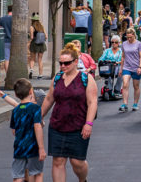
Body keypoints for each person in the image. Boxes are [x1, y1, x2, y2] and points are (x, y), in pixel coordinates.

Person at [40, 44, 98, 182]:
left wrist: (88, 124)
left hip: (78, 127)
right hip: (57, 126)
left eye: (66, 63)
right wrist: (38, 116)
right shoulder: (58, 78)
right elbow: (49, 98)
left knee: (77, 162)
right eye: (61, 63)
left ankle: (82, 180)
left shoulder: (86, 79)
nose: (63, 66)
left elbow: (92, 103)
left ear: (76, 62)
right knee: (58, 161)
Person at [7, 78, 46, 182]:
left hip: (19, 147)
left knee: (18, 175)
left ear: (16, 95)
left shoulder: (15, 110)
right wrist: (41, 148)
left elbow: (14, 131)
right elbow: (37, 126)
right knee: (37, 173)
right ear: (30, 91)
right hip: (33, 146)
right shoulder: (35, 108)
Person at [118, 27, 141, 112]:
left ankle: (135, 103)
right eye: (127, 37)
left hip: (136, 67)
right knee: (125, 84)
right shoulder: (124, 44)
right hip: (127, 67)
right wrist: (121, 69)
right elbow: (123, 57)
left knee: (136, 86)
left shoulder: (139, 44)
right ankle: (125, 104)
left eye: (130, 37)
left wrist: (140, 67)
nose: (129, 39)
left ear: (134, 35)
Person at [29, 13, 47, 79]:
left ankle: (31, 70)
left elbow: (31, 37)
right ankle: (40, 75)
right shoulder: (42, 26)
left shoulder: (32, 27)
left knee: (32, 59)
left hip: (34, 44)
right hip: (42, 44)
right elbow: (46, 36)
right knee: (40, 60)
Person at [0, 6, 13, 74]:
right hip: (14, 42)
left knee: (7, 59)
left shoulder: (2, 19)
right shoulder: (15, 19)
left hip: (5, 41)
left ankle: (8, 75)